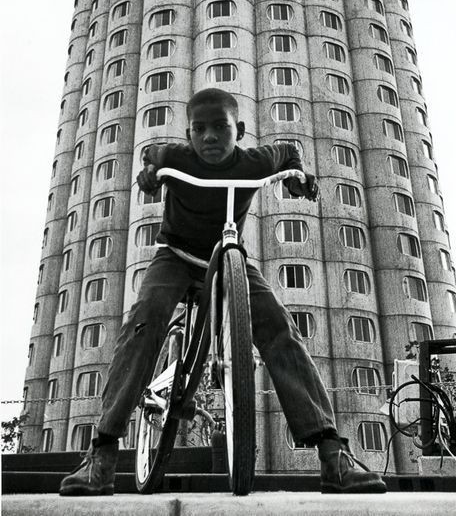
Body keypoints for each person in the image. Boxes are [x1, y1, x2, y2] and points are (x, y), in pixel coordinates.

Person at [59, 87, 386, 496]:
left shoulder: (253, 163)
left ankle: (332, 456)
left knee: (279, 328)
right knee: (145, 318)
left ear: (240, 130)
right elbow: (152, 157)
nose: (209, 137)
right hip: (175, 257)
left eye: (220, 128)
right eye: (200, 129)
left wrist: (301, 177)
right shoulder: (176, 157)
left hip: (229, 254)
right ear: (189, 133)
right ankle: (102, 456)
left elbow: (287, 151)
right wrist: (149, 177)